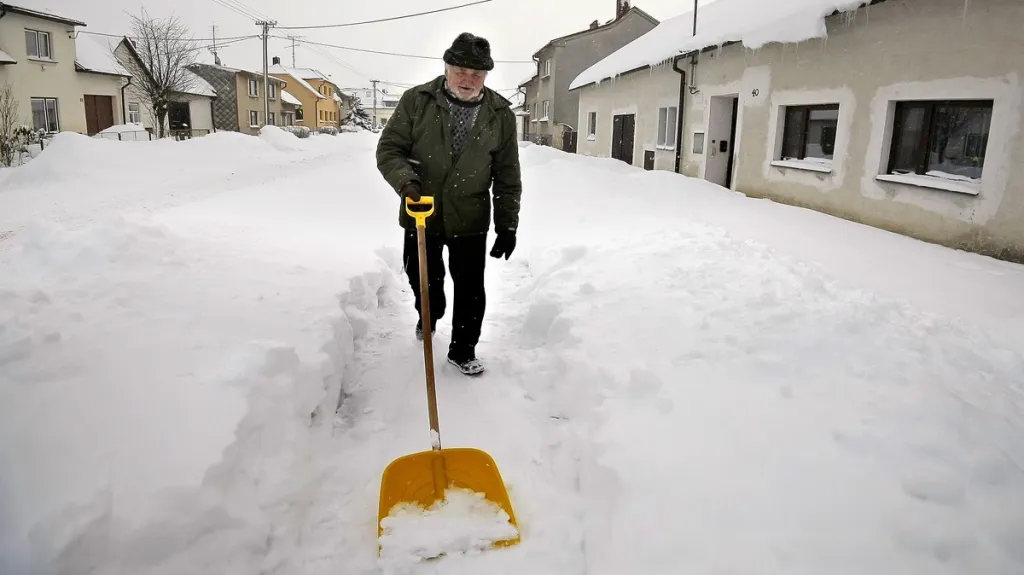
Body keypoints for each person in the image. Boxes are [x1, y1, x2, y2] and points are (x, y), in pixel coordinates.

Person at [375, 32, 523, 376]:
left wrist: (507, 224)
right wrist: (406, 184)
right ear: (446, 67)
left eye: (476, 74)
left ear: (486, 75)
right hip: (420, 210)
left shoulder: (500, 113)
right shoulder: (417, 100)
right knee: (421, 277)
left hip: (470, 216)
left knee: (471, 287)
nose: (467, 80)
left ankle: (463, 348)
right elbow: (389, 149)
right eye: (460, 71)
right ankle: (430, 311)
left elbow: (507, 174)